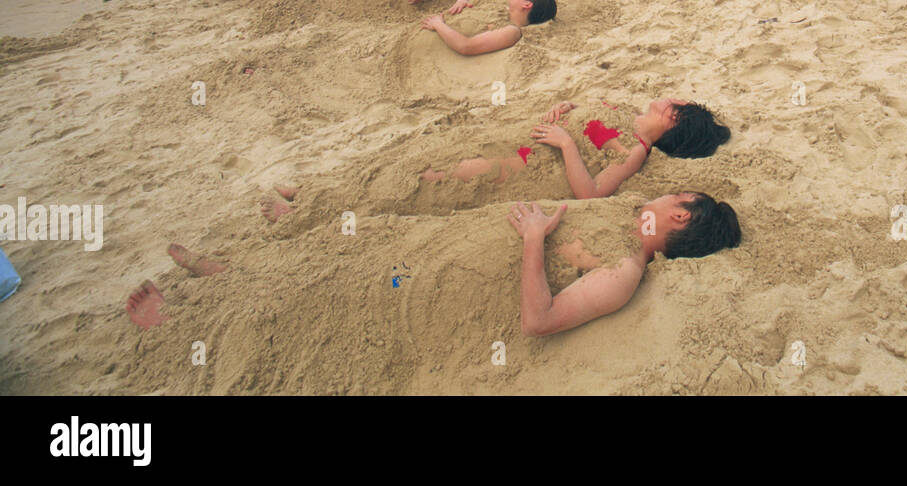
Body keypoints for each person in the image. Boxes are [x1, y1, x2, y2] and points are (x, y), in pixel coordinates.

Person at [126, 190, 741, 347]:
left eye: (676, 197)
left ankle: (181, 328)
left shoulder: (627, 269)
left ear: (680, 219)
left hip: (440, 276)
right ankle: (228, 274)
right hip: (445, 236)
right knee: (350, 244)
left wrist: (532, 240)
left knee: (342, 286)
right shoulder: (622, 218)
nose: (664, 196)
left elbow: (539, 320)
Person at [428, 96, 729, 197]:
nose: (671, 97)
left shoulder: (635, 150)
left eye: (678, 102)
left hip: (527, 164)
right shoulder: (624, 110)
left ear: (674, 117)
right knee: (441, 154)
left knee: (448, 175)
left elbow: (591, 194)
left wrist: (566, 144)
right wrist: (564, 107)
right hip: (521, 136)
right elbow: (585, 114)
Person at [418, 0, 557, 55]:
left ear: (527, 5)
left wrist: (438, 24)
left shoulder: (512, 31)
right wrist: (462, 1)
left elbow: (466, 46)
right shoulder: (500, 14)